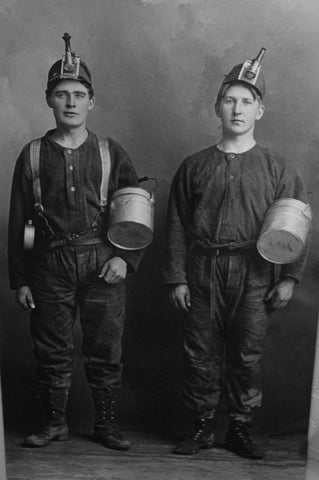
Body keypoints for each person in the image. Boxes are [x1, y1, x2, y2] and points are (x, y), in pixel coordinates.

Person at [162, 48, 309, 459]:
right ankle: (202, 427)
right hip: (203, 271)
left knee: (246, 354)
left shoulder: (278, 168)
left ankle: (240, 428)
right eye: (230, 100)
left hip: (255, 274)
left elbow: (297, 222)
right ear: (217, 107)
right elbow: (175, 224)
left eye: (247, 101)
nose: (238, 109)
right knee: (200, 352)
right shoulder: (194, 166)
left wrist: (289, 277)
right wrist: (177, 277)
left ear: (260, 110)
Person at [8, 33, 144, 450]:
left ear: (92, 101)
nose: (70, 102)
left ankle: (105, 424)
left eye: (79, 94)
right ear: (49, 99)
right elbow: (21, 224)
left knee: (105, 347)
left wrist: (125, 258)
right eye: (62, 94)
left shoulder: (109, 152)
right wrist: (22, 278)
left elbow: (134, 211)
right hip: (50, 265)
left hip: (102, 263)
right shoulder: (32, 155)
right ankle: (54, 423)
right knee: (51, 348)